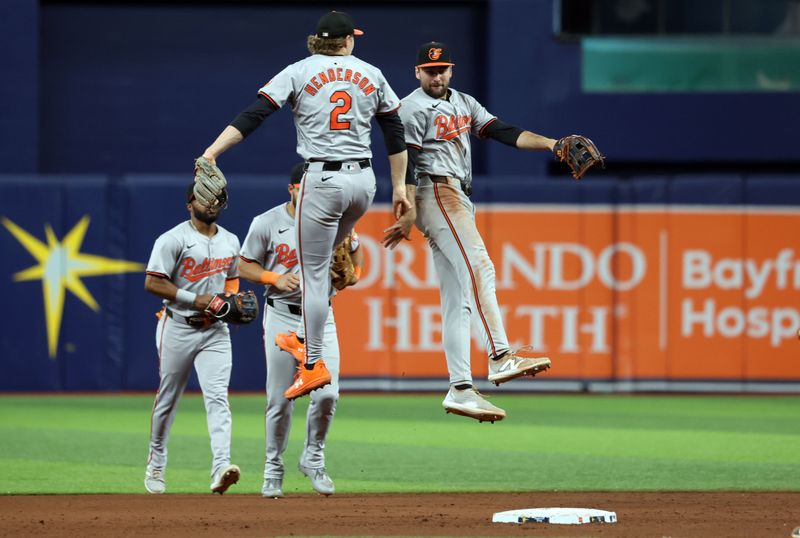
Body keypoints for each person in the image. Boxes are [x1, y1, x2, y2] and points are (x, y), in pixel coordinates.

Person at [200, 10, 410, 401]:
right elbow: (395, 131)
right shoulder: (372, 72)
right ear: (348, 41)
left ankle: (312, 362)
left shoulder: (298, 70)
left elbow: (255, 114)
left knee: (313, 275)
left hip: (322, 180)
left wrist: (213, 151)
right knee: (332, 255)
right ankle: (331, 276)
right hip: (365, 183)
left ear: (318, 41)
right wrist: (400, 188)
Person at [383, 42, 562, 423]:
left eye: (442, 69)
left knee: (458, 300)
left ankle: (460, 388)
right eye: (430, 70)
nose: (437, 76)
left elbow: (502, 131)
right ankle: (499, 355)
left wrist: (552, 143)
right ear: (417, 72)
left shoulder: (463, 101)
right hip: (436, 189)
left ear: (451, 70)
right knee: (480, 267)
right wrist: (409, 209)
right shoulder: (411, 106)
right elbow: (410, 161)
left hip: (456, 194)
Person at [238, 163, 363, 498]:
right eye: (306, 188)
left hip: (322, 317)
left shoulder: (335, 220)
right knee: (280, 400)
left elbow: (355, 255)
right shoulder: (267, 222)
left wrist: (353, 275)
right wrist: (273, 277)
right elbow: (243, 264)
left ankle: (314, 456)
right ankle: (272, 470)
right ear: (293, 188)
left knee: (327, 394)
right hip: (281, 314)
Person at [143, 184, 242, 494]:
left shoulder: (230, 240)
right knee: (168, 398)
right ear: (189, 203)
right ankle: (156, 462)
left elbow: (232, 279)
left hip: (215, 330)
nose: (210, 203)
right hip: (178, 326)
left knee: (217, 398)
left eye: (216, 198)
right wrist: (195, 299)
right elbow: (153, 283)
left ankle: (221, 466)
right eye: (203, 197)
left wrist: (230, 302)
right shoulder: (173, 239)